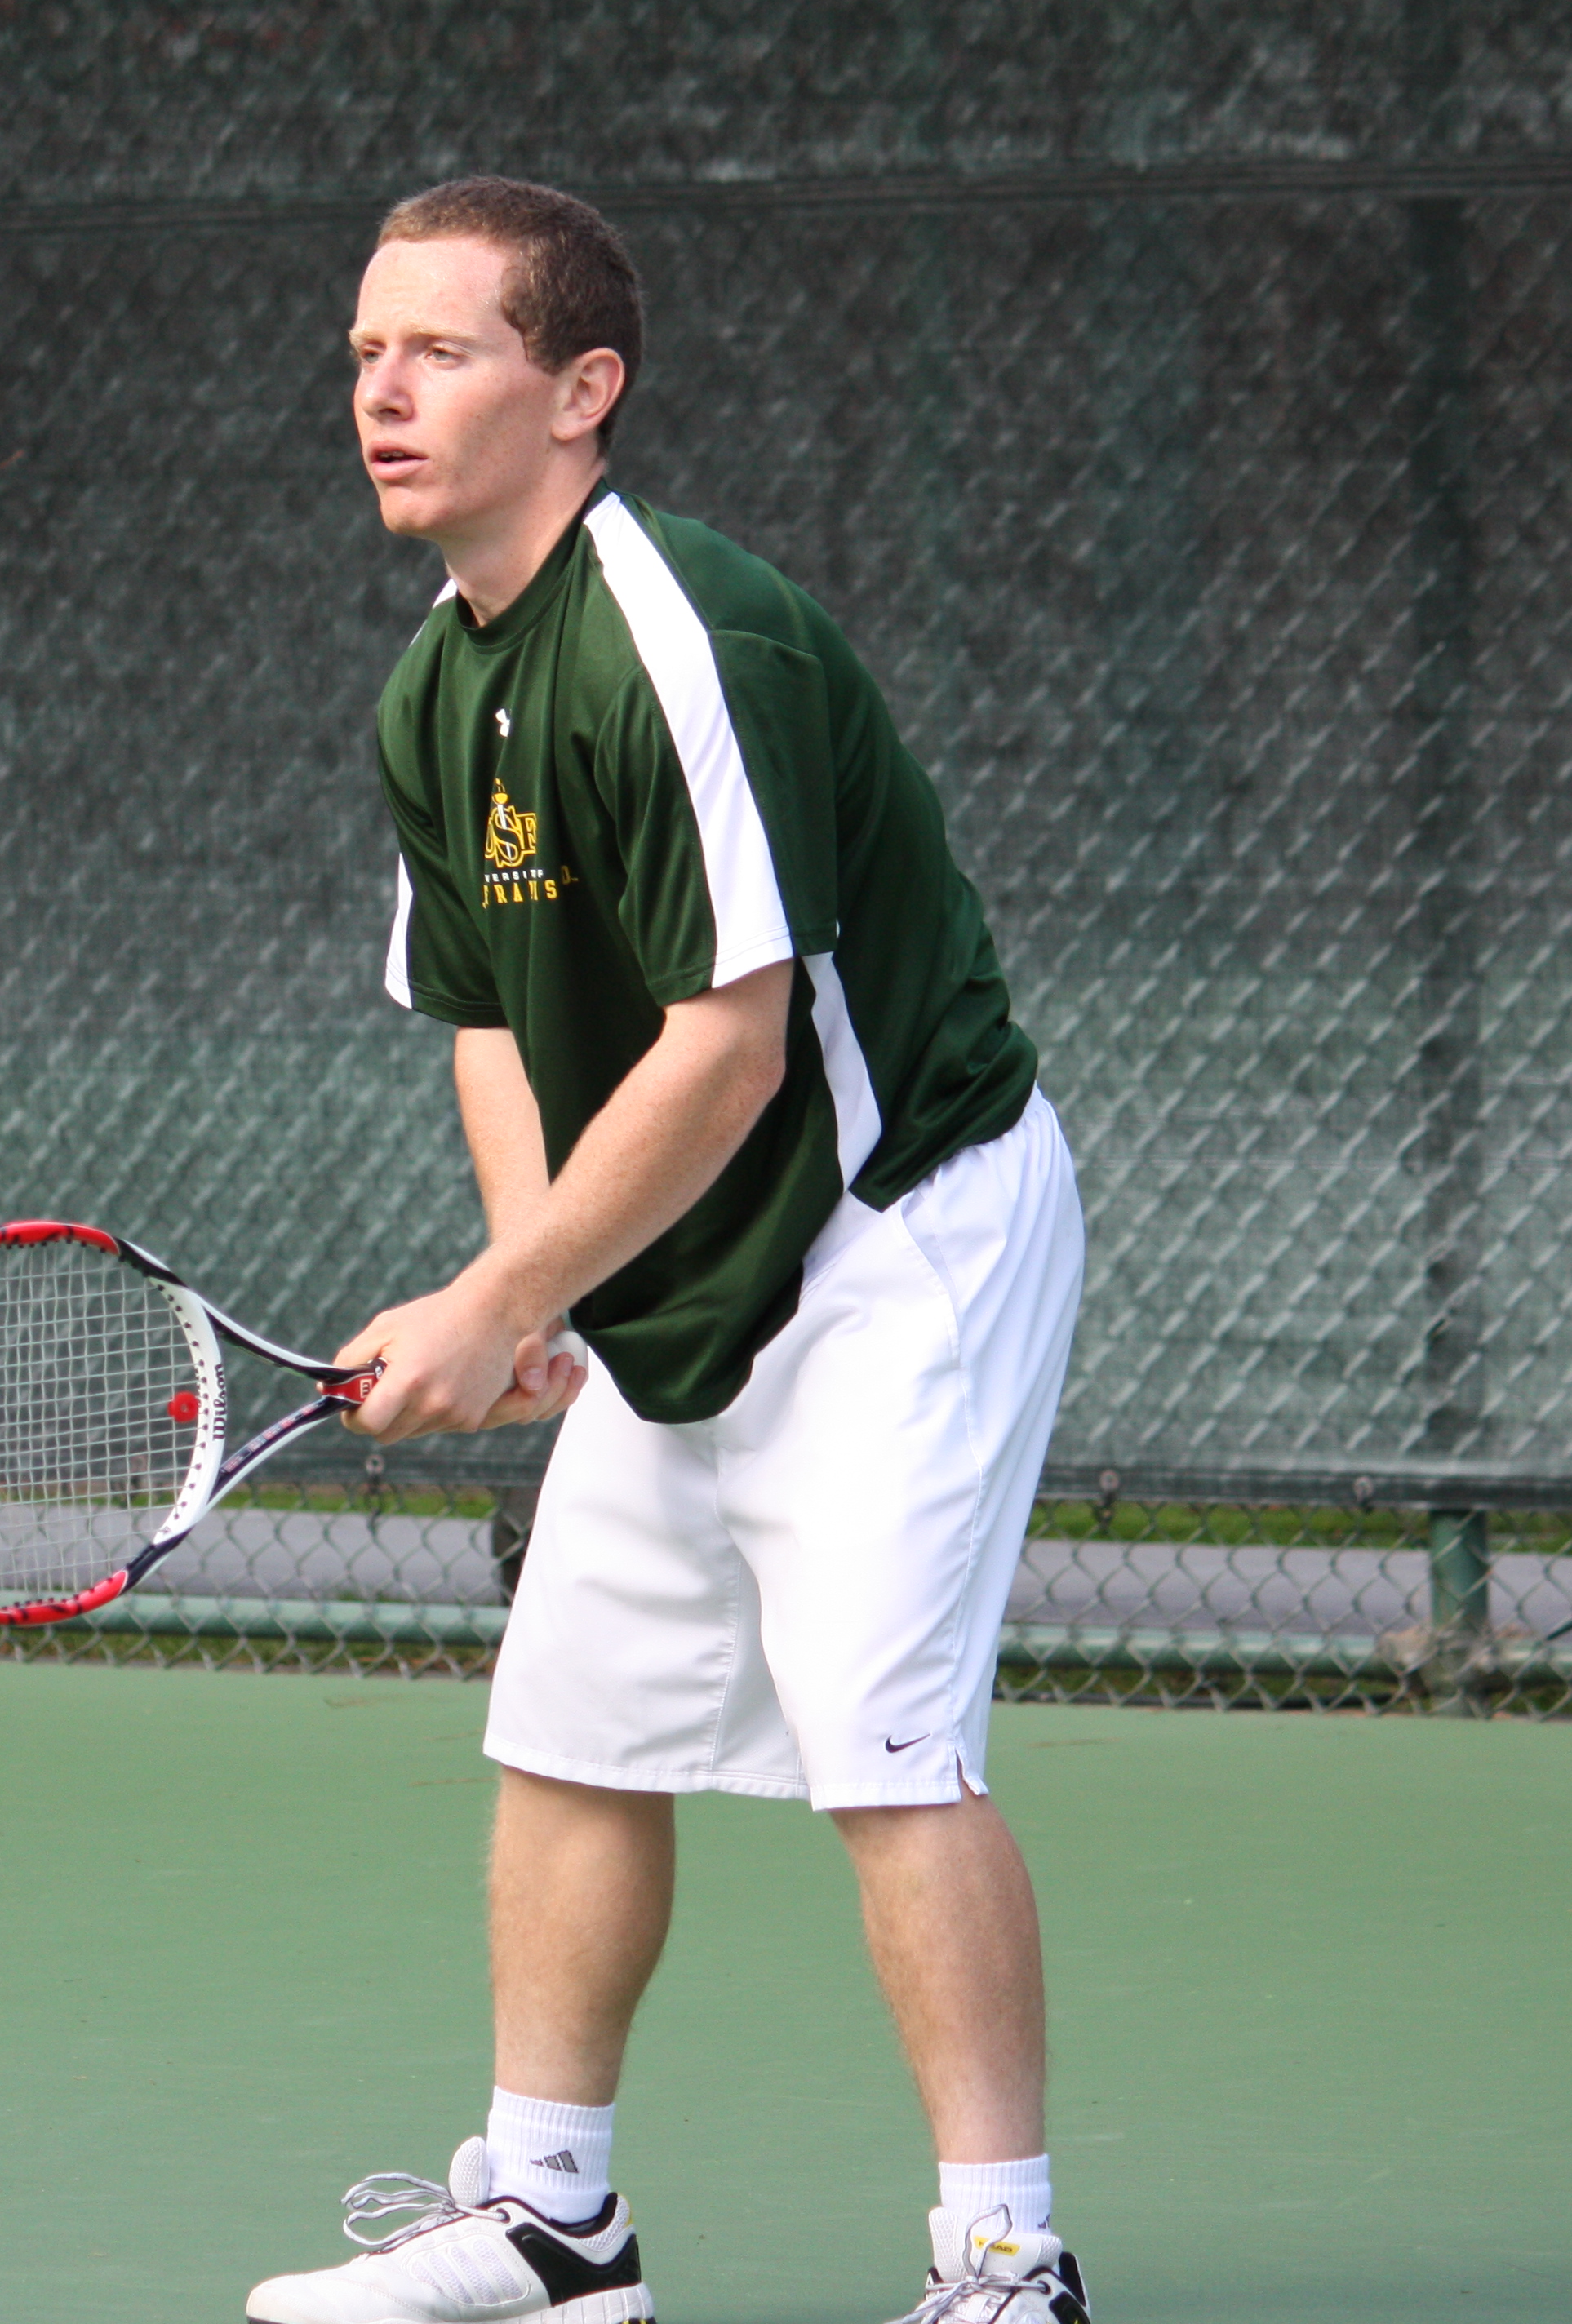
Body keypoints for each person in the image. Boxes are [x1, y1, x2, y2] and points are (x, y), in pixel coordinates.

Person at [242, 179, 1091, 2324]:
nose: (382, 393)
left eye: (441, 351)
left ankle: (1008, 2267)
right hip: (679, 1257)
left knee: (885, 1747)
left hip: (898, 1231)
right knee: (575, 1726)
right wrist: (531, 1280)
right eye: (363, 353)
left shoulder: (678, 639)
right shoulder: (437, 688)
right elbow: (487, 1020)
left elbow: (732, 1045)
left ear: (581, 388)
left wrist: (502, 1299)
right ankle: (555, 2227)